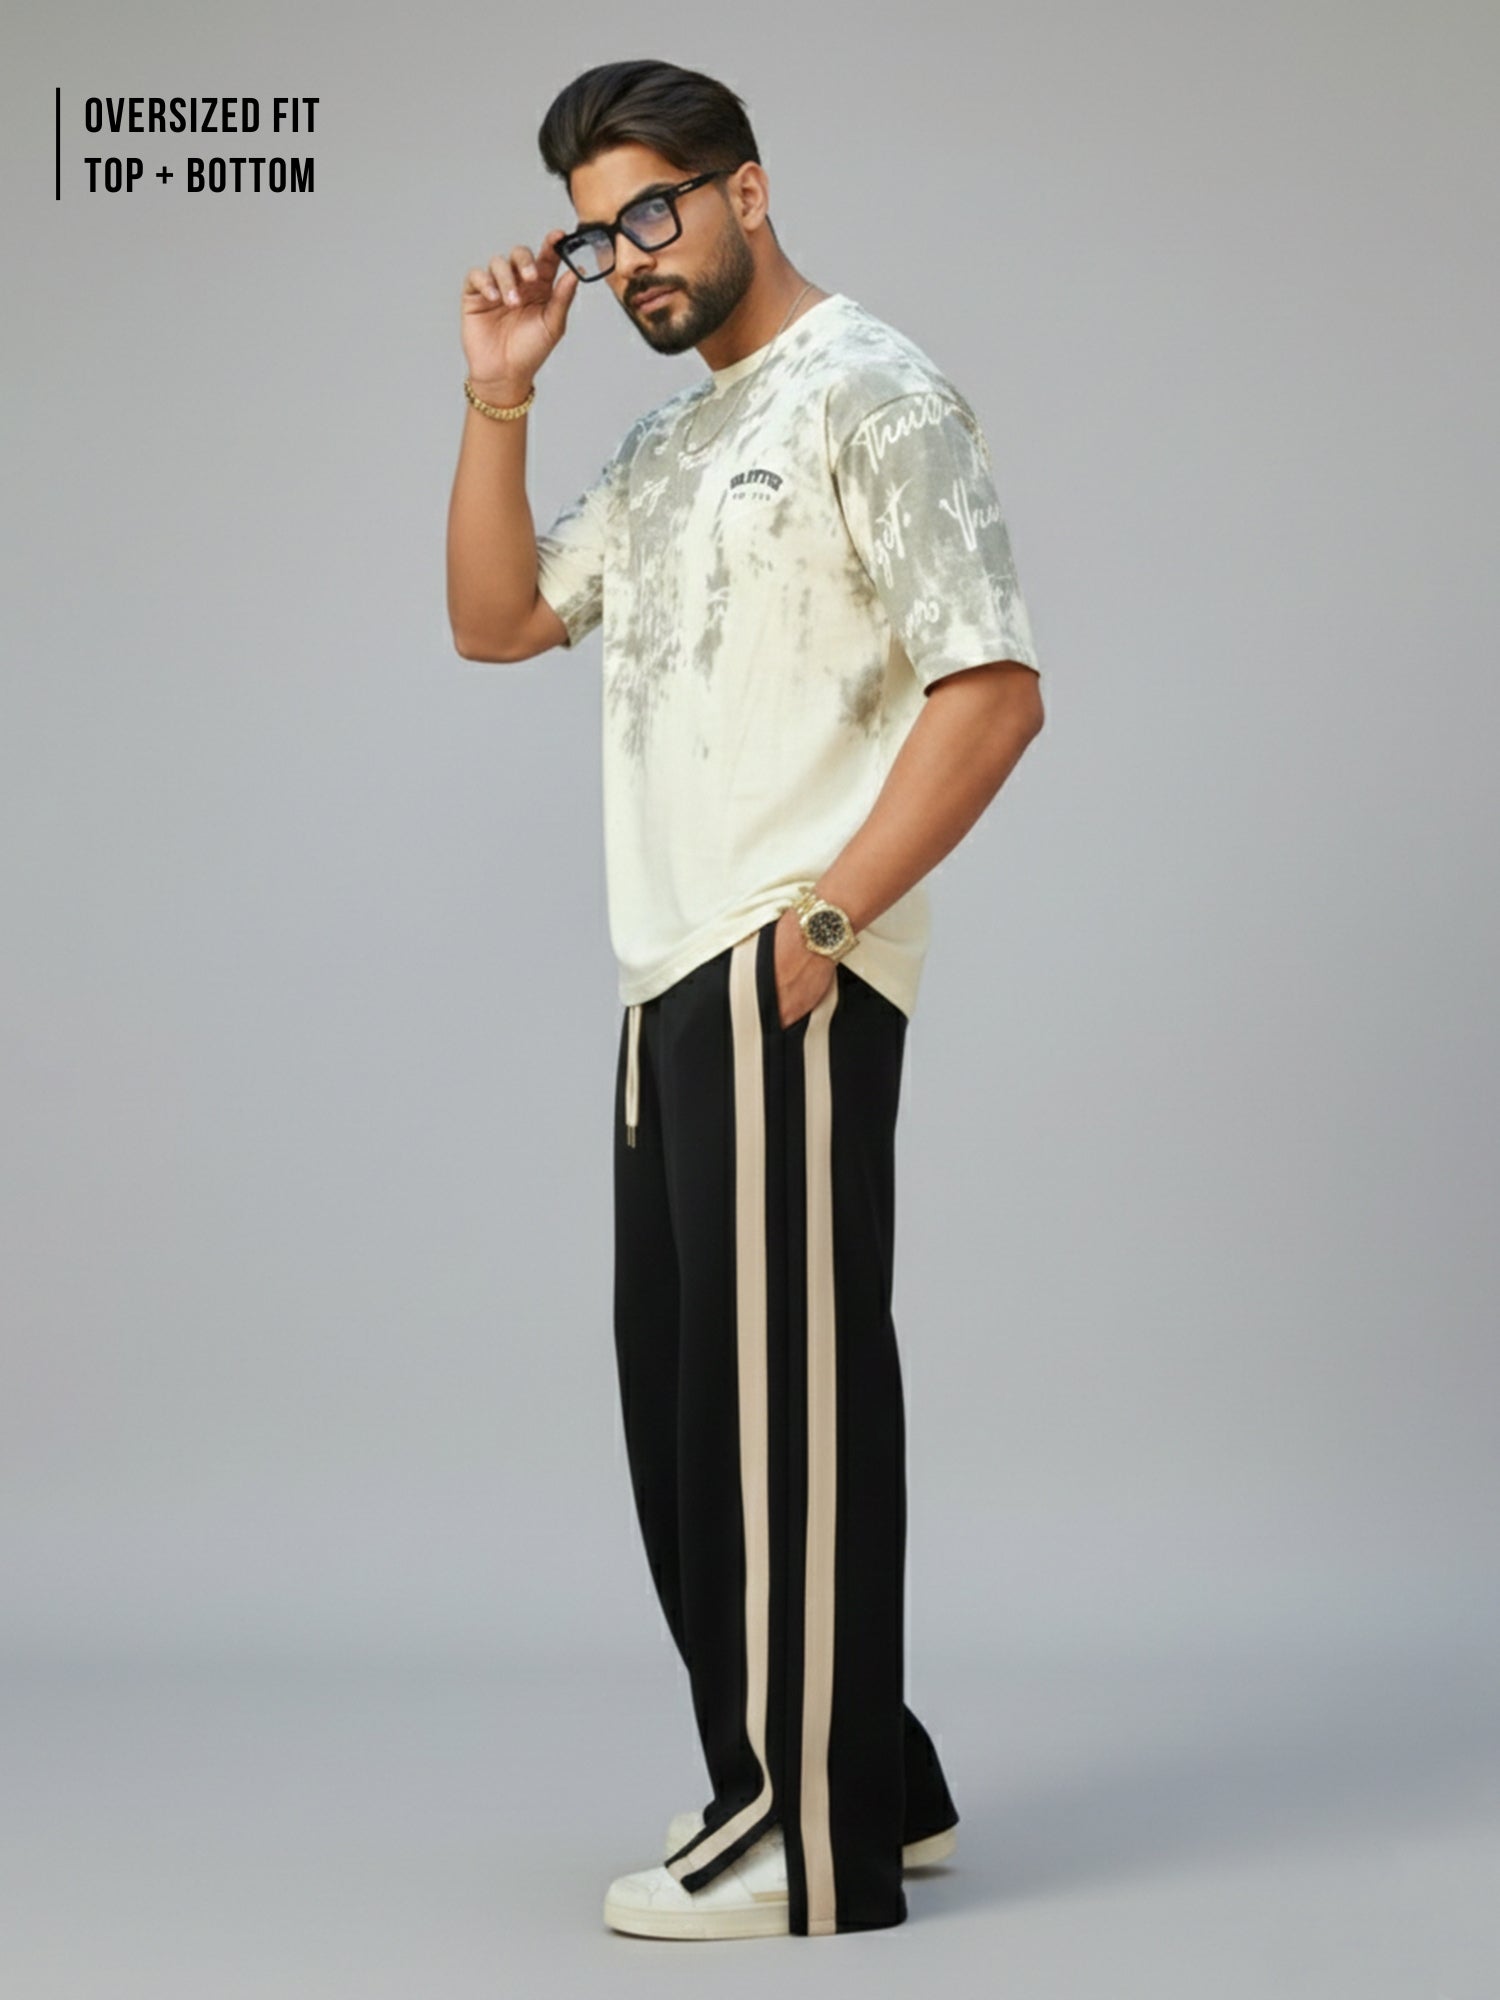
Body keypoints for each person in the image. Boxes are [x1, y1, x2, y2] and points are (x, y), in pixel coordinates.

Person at [446, 58, 1045, 1941]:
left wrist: (828, 924)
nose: (629, 257)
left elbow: (992, 689)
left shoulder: (871, 389)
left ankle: (811, 1838)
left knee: (780, 1420)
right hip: (667, 980)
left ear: (746, 193)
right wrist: (501, 393)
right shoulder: (668, 441)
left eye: (653, 212)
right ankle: (883, 1776)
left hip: (785, 962)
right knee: (691, 1422)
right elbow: (494, 620)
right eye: (595, 233)